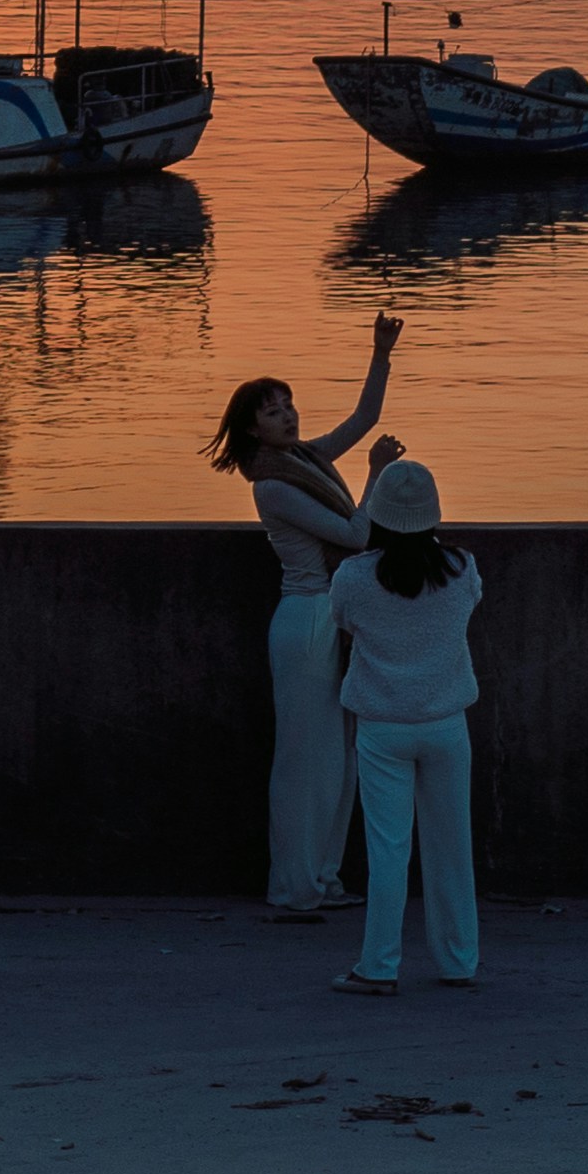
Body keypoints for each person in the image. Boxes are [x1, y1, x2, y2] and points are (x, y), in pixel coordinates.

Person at [206, 315, 398, 915]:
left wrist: (380, 353)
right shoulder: (272, 484)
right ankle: (293, 886)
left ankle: (322, 879)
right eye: (272, 411)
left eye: (288, 404)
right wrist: (376, 475)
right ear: (252, 431)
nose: (287, 416)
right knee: (304, 762)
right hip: (307, 623)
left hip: (331, 619)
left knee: (337, 759)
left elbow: (364, 421)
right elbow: (353, 533)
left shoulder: (307, 460)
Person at [327, 450, 482, 993]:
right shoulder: (462, 569)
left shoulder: (353, 577)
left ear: (379, 514)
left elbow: (342, 622)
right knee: (452, 845)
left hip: (382, 724)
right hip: (446, 723)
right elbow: (468, 606)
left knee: (388, 848)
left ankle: (378, 966)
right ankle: (459, 961)